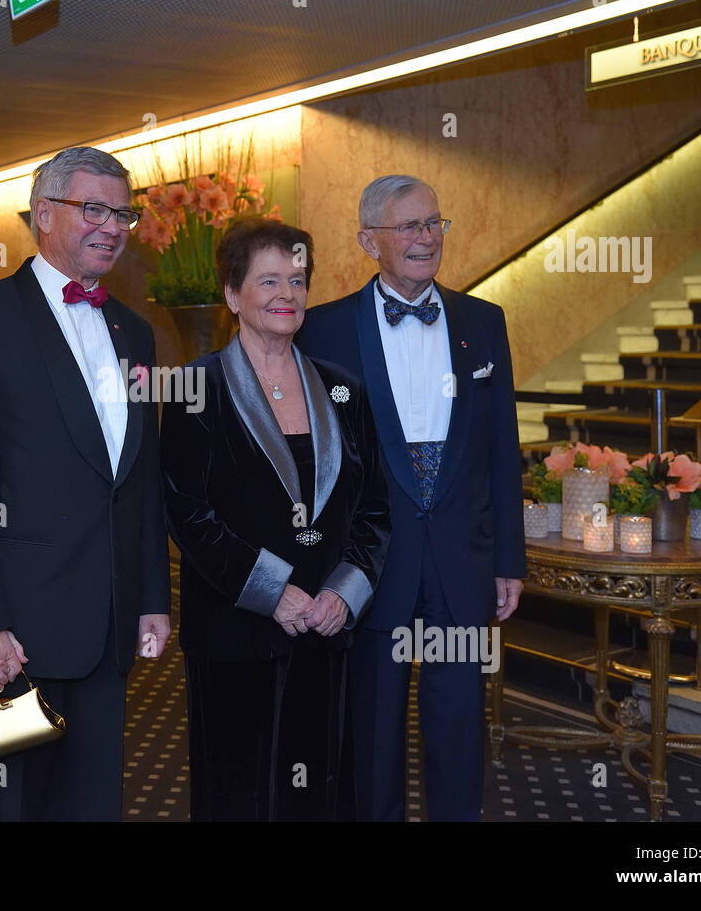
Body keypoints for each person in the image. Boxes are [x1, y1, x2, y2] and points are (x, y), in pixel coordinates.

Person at [0, 146, 171, 821]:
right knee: (10, 805)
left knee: (93, 803)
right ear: (43, 214)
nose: (114, 225)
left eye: (122, 211)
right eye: (93, 208)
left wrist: (151, 594)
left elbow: (139, 477)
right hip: (15, 638)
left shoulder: (135, 332)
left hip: (109, 623)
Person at [297, 175, 525, 821]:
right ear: (370, 240)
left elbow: (501, 449)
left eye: (435, 223)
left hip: (463, 558)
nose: (426, 238)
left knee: (459, 725)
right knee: (373, 726)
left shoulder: (484, 322)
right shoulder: (323, 330)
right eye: (409, 227)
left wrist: (510, 558)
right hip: (370, 563)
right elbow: (312, 461)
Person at [161, 218, 391, 821]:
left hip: (324, 629)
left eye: (297, 279)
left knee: (319, 796)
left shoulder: (343, 390)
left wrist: (342, 595)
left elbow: (373, 509)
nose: (286, 294)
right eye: (268, 280)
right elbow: (187, 513)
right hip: (235, 633)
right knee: (239, 797)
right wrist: (273, 593)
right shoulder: (195, 388)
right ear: (233, 295)